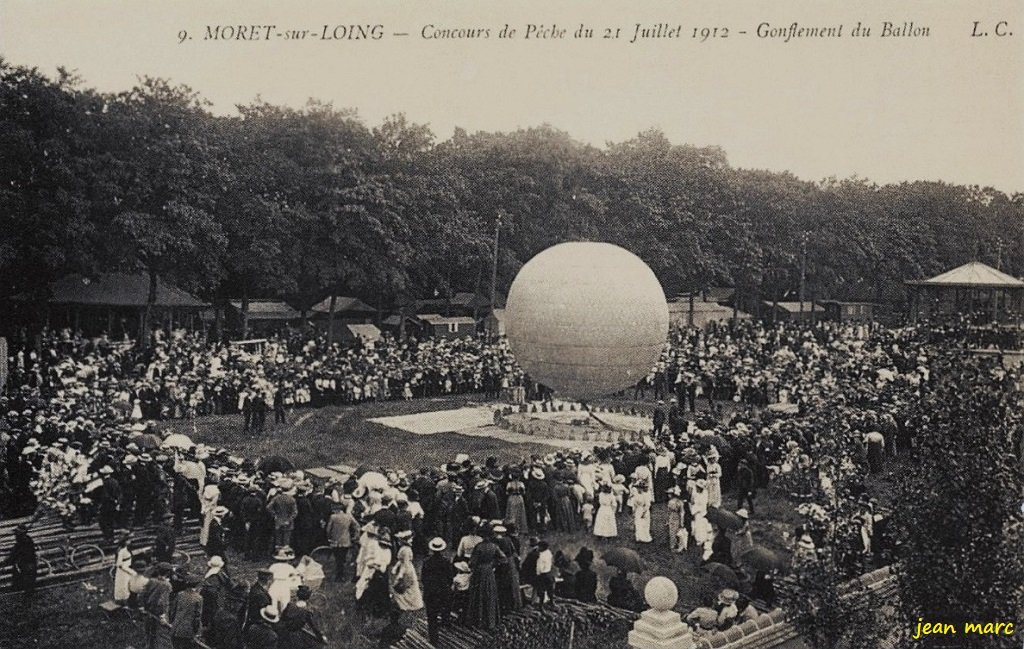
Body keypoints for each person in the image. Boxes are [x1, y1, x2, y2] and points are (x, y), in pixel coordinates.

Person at [464, 526, 504, 630]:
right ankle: (490, 621)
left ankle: (478, 620)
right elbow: (503, 558)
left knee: (478, 594)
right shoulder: (494, 546)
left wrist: (472, 565)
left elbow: (472, 562)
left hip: (479, 571)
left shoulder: (479, 547)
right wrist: (493, 564)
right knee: (490, 593)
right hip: (489, 571)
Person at [421, 538, 455, 646]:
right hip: (443, 591)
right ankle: (447, 634)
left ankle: (433, 639)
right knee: (445, 611)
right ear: (442, 549)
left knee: (432, 617)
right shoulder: (446, 561)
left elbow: (423, 578)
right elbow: (450, 577)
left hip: (431, 592)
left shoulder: (426, 562)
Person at [142, 563, 173, 649]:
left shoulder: (151, 580)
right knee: (162, 635)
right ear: (167, 573)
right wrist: (163, 616)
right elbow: (162, 602)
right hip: (159, 613)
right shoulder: (167, 585)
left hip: (149, 610)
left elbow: (143, 595)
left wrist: (145, 606)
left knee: (149, 633)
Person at [170, 573, 204, 649]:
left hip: (176, 627)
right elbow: (197, 616)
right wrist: (196, 631)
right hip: (188, 630)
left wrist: (172, 622)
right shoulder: (198, 598)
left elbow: (173, 610)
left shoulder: (180, 594)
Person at [3, 525, 38, 600]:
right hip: (27, 565)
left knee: (25, 586)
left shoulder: (23, 543)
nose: (15, 536)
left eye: (16, 534)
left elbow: (14, 555)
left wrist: (6, 562)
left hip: (26, 566)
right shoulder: (26, 541)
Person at [326, 503, 359, 581]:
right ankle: (341, 574)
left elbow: (328, 530)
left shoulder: (333, 517)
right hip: (346, 540)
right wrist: (355, 536)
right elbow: (357, 526)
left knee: (337, 558)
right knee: (343, 558)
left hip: (335, 541)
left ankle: (339, 575)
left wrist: (329, 538)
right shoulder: (348, 517)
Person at [390, 545, 424, 614]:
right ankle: (407, 602)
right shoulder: (404, 549)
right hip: (406, 569)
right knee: (405, 586)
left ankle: (410, 603)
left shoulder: (406, 550)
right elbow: (402, 561)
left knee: (407, 585)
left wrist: (400, 574)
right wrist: (396, 567)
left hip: (407, 570)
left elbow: (406, 563)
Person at [113, 533, 136, 604]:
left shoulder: (127, 549)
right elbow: (119, 564)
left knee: (129, 584)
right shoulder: (121, 551)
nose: (130, 541)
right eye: (128, 540)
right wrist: (129, 570)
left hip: (128, 568)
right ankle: (122, 601)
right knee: (123, 585)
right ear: (124, 541)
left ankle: (128, 600)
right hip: (123, 571)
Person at [533, 540, 554, 610]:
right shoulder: (549, 553)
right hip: (549, 573)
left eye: (539, 547)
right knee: (550, 589)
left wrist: (537, 574)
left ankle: (541, 605)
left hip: (542, 575)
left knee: (541, 591)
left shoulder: (541, 556)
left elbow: (539, 568)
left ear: (542, 547)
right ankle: (552, 601)